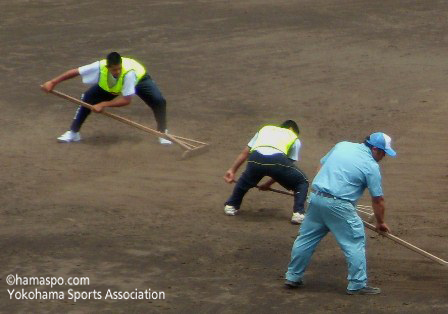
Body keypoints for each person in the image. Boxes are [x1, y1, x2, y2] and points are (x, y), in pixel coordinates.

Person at [284, 132, 396, 295]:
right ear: (375, 149)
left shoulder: (342, 145)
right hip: (339, 205)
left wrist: (323, 186)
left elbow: (322, 165)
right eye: (384, 153)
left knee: (306, 239)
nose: (384, 156)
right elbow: (378, 200)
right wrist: (380, 223)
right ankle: (357, 284)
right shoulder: (371, 166)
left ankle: (293, 276)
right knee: (355, 240)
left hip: (316, 198)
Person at [41, 52, 171, 144]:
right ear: (108, 68)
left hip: (140, 80)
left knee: (159, 101)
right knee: (87, 99)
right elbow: (75, 72)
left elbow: (126, 100)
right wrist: (53, 82)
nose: (117, 72)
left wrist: (103, 104)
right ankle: (73, 133)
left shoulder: (129, 73)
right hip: (111, 86)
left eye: (119, 69)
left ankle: (162, 132)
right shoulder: (99, 66)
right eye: (114, 70)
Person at [223, 120, 309, 224]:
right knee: (302, 181)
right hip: (278, 161)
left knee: (245, 180)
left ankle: (231, 206)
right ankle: (298, 213)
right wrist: (268, 184)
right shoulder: (294, 138)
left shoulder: (265, 130)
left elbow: (245, 153)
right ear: (294, 131)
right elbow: (283, 169)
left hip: (255, 158)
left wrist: (232, 170)